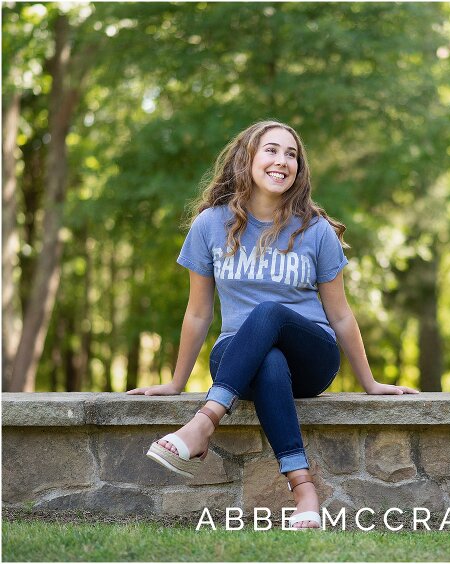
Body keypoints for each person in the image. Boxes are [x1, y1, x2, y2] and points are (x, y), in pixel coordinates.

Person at [128, 120, 418, 529]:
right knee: (269, 362)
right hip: (238, 359)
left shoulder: (315, 230)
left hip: (311, 355)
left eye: (292, 154)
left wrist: (370, 382)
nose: (282, 161)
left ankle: (202, 425)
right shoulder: (210, 225)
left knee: (268, 313)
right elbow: (198, 312)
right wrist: (175, 382)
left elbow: (339, 314)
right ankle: (305, 490)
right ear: (246, 159)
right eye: (272, 150)